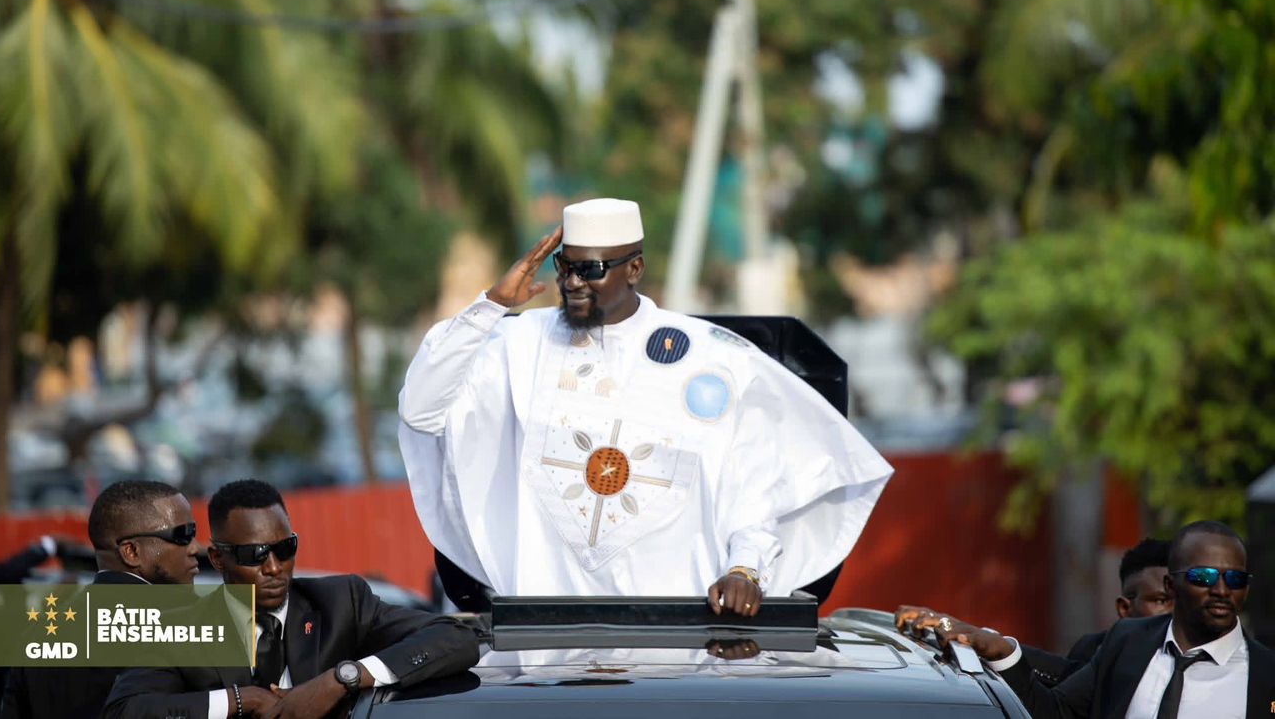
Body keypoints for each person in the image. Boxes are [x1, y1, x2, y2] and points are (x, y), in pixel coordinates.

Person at [397, 198, 894, 616]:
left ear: (635, 268)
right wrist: (490, 304)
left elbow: (756, 488)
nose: (572, 282)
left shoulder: (712, 359)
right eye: (565, 267)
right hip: (543, 652)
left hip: (674, 653)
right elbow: (420, 410)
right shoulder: (515, 346)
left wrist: (746, 569)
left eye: (591, 269)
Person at [103, 479, 479, 719]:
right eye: (255, 554)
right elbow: (125, 710)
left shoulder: (340, 602)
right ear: (218, 559)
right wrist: (240, 699)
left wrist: (340, 679)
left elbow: (454, 638)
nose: (274, 567)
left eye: (285, 548)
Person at [911, 520, 1275, 718]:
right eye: (1205, 578)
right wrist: (1002, 651)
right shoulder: (1128, 643)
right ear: (1171, 583)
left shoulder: (1266, 676)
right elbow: (1055, 710)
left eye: (1236, 579)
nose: (1222, 590)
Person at [1, 480, 202, 719]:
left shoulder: (38, 634)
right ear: (131, 552)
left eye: (194, 533)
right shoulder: (180, 629)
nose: (195, 548)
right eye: (183, 535)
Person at [896, 537, 1172, 686]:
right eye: (1161, 600)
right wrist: (974, 636)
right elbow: (1058, 696)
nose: (1172, 611)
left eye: (1180, 599)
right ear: (1125, 608)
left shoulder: (1212, 661)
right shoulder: (1099, 653)